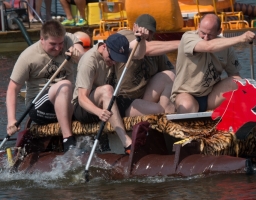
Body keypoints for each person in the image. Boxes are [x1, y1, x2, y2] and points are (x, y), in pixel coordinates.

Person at [6, 20, 85, 152]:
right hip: (39, 108)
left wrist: (79, 54)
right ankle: (68, 141)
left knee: (91, 93)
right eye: (53, 44)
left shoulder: (68, 39)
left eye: (61, 44)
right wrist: (11, 120)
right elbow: (12, 89)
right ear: (42, 39)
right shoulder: (28, 57)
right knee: (65, 85)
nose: (58, 48)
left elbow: (85, 57)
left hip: (69, 101)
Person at [72, 29, 149, 154]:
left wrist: (143, 39)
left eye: (118, 59)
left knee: (154, 108)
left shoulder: (117, 52)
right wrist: (98, 112)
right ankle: (126, 143)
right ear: (104, 47)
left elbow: (139, 54)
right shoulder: (89, 61)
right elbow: (82, 98)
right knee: (107, 89)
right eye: (112, 57)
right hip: (85, 108)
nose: (114, 62)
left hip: (110, 100)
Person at [171, 13, 256, 114]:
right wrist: (241, 38)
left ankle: (244, 118)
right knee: (188, 105)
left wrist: (249, 94)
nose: (205, 38)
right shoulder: (188, 37)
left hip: (211, 96)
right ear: (198, 26)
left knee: (238, 83)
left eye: (210, 35)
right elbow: (208, 46)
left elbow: (235, 75)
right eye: (202, 33)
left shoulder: (226, 45)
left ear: (219, 32)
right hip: (186, 94)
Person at [115, 14, 180, 117]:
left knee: (171, 75)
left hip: (144, 97)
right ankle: (160, 117)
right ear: (134, 27)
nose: (147, 34)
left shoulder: (156, 49)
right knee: (157, 110)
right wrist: (184, 43)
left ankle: (170, 122)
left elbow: (174, 74)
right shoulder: (124, 37)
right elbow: (146, 49)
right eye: (143, 30)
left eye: (150, 32)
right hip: (123, 100)